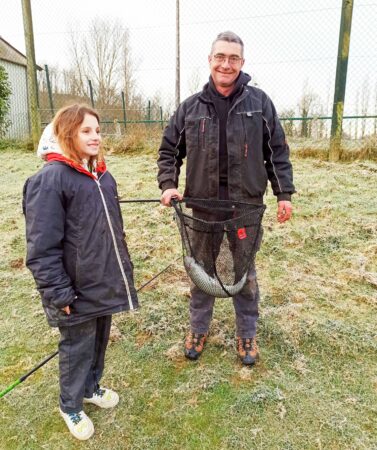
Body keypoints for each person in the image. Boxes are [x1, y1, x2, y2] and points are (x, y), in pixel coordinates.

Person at [157, 31, 294, 366]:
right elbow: (168, 151)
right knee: (201, 272)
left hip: (244, 207)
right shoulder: (190, 107)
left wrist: (283, 194)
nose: (226, 64)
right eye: (220, 57)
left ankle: (246, 333)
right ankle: (198, 329)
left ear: (242, 63)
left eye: (233, 58)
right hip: (201, 208)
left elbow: (276, 152)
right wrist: (168, 184)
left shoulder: (260, 104)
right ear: (210, 60)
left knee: (244, 274)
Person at [23, 104, 138, 440]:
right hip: (72, 290)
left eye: (98, 131)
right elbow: (42, 248)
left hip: (102, 282)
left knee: (99, 341)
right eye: (86, 131)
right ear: (67, 133)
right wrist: (59, 294)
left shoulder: (101, 176)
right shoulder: (50, 180)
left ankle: (90, 388)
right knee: (76, 347)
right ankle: (70, 404)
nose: (95, 137)